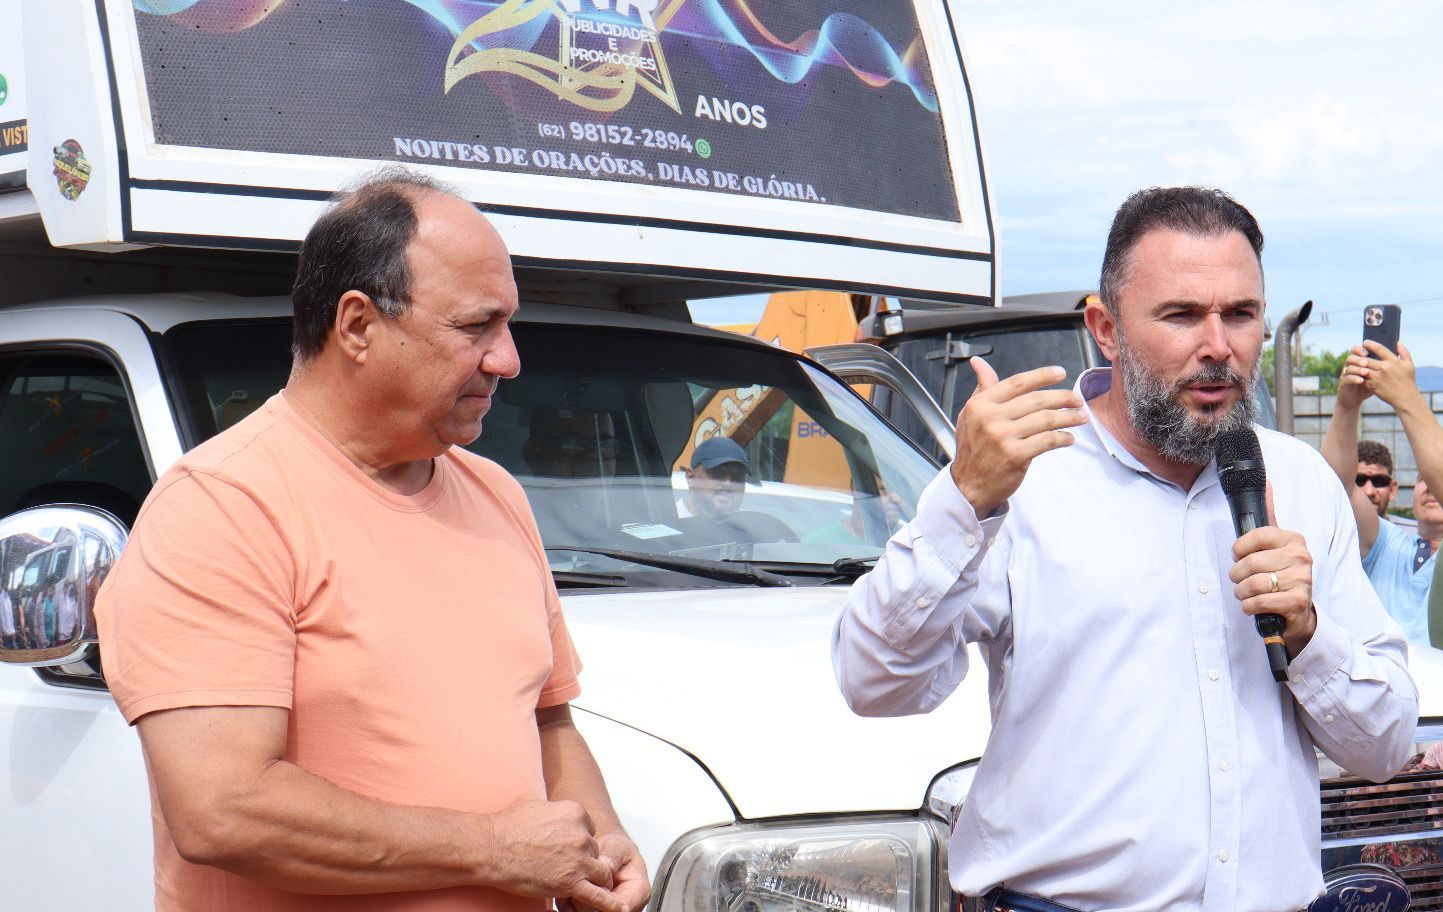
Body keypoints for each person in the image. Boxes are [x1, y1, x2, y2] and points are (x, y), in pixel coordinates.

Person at [832, 186, 1417, 912]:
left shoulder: (1298, 482)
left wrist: (1307, 635)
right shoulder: (1024, 482)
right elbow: (875, 683)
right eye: (1181, 315)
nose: (1218, 346)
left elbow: (1385, 746)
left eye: (1240, 314)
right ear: (1105, 329)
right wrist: (965, 500)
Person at [94, 168, 650, 912]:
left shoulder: (497, 495)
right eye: (475, 327)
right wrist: (493, 849)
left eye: (506, 325)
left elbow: (547, 718)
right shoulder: (221, 506)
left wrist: (600, 840)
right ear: (357, 325)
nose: (507, 359)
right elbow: (222, 810)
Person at [1323, 352, 1441, 643]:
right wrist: (1346, 405)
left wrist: (1407, 397)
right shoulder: (1388, 542)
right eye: (1422, 480)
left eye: (1433, 478)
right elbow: (1337, 487)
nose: (1429, 488)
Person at [677, 436, 749, 519]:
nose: (728, 483)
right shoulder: (667, 521)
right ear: (691, 477)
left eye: (738, 477)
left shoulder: (749, 524)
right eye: (717, 473)